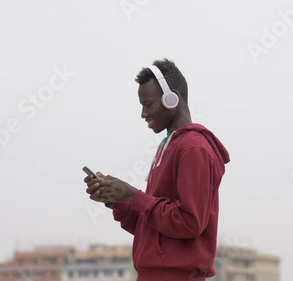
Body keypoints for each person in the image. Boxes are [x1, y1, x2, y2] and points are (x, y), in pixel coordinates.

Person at [84, 58, 230, 281]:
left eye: (148, 104)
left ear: (172, 98)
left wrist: (134, 195)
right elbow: (152, 228)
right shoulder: (169, 146)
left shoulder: (193, 148)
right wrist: (118, 200)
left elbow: (189, 223)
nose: (143, 113)